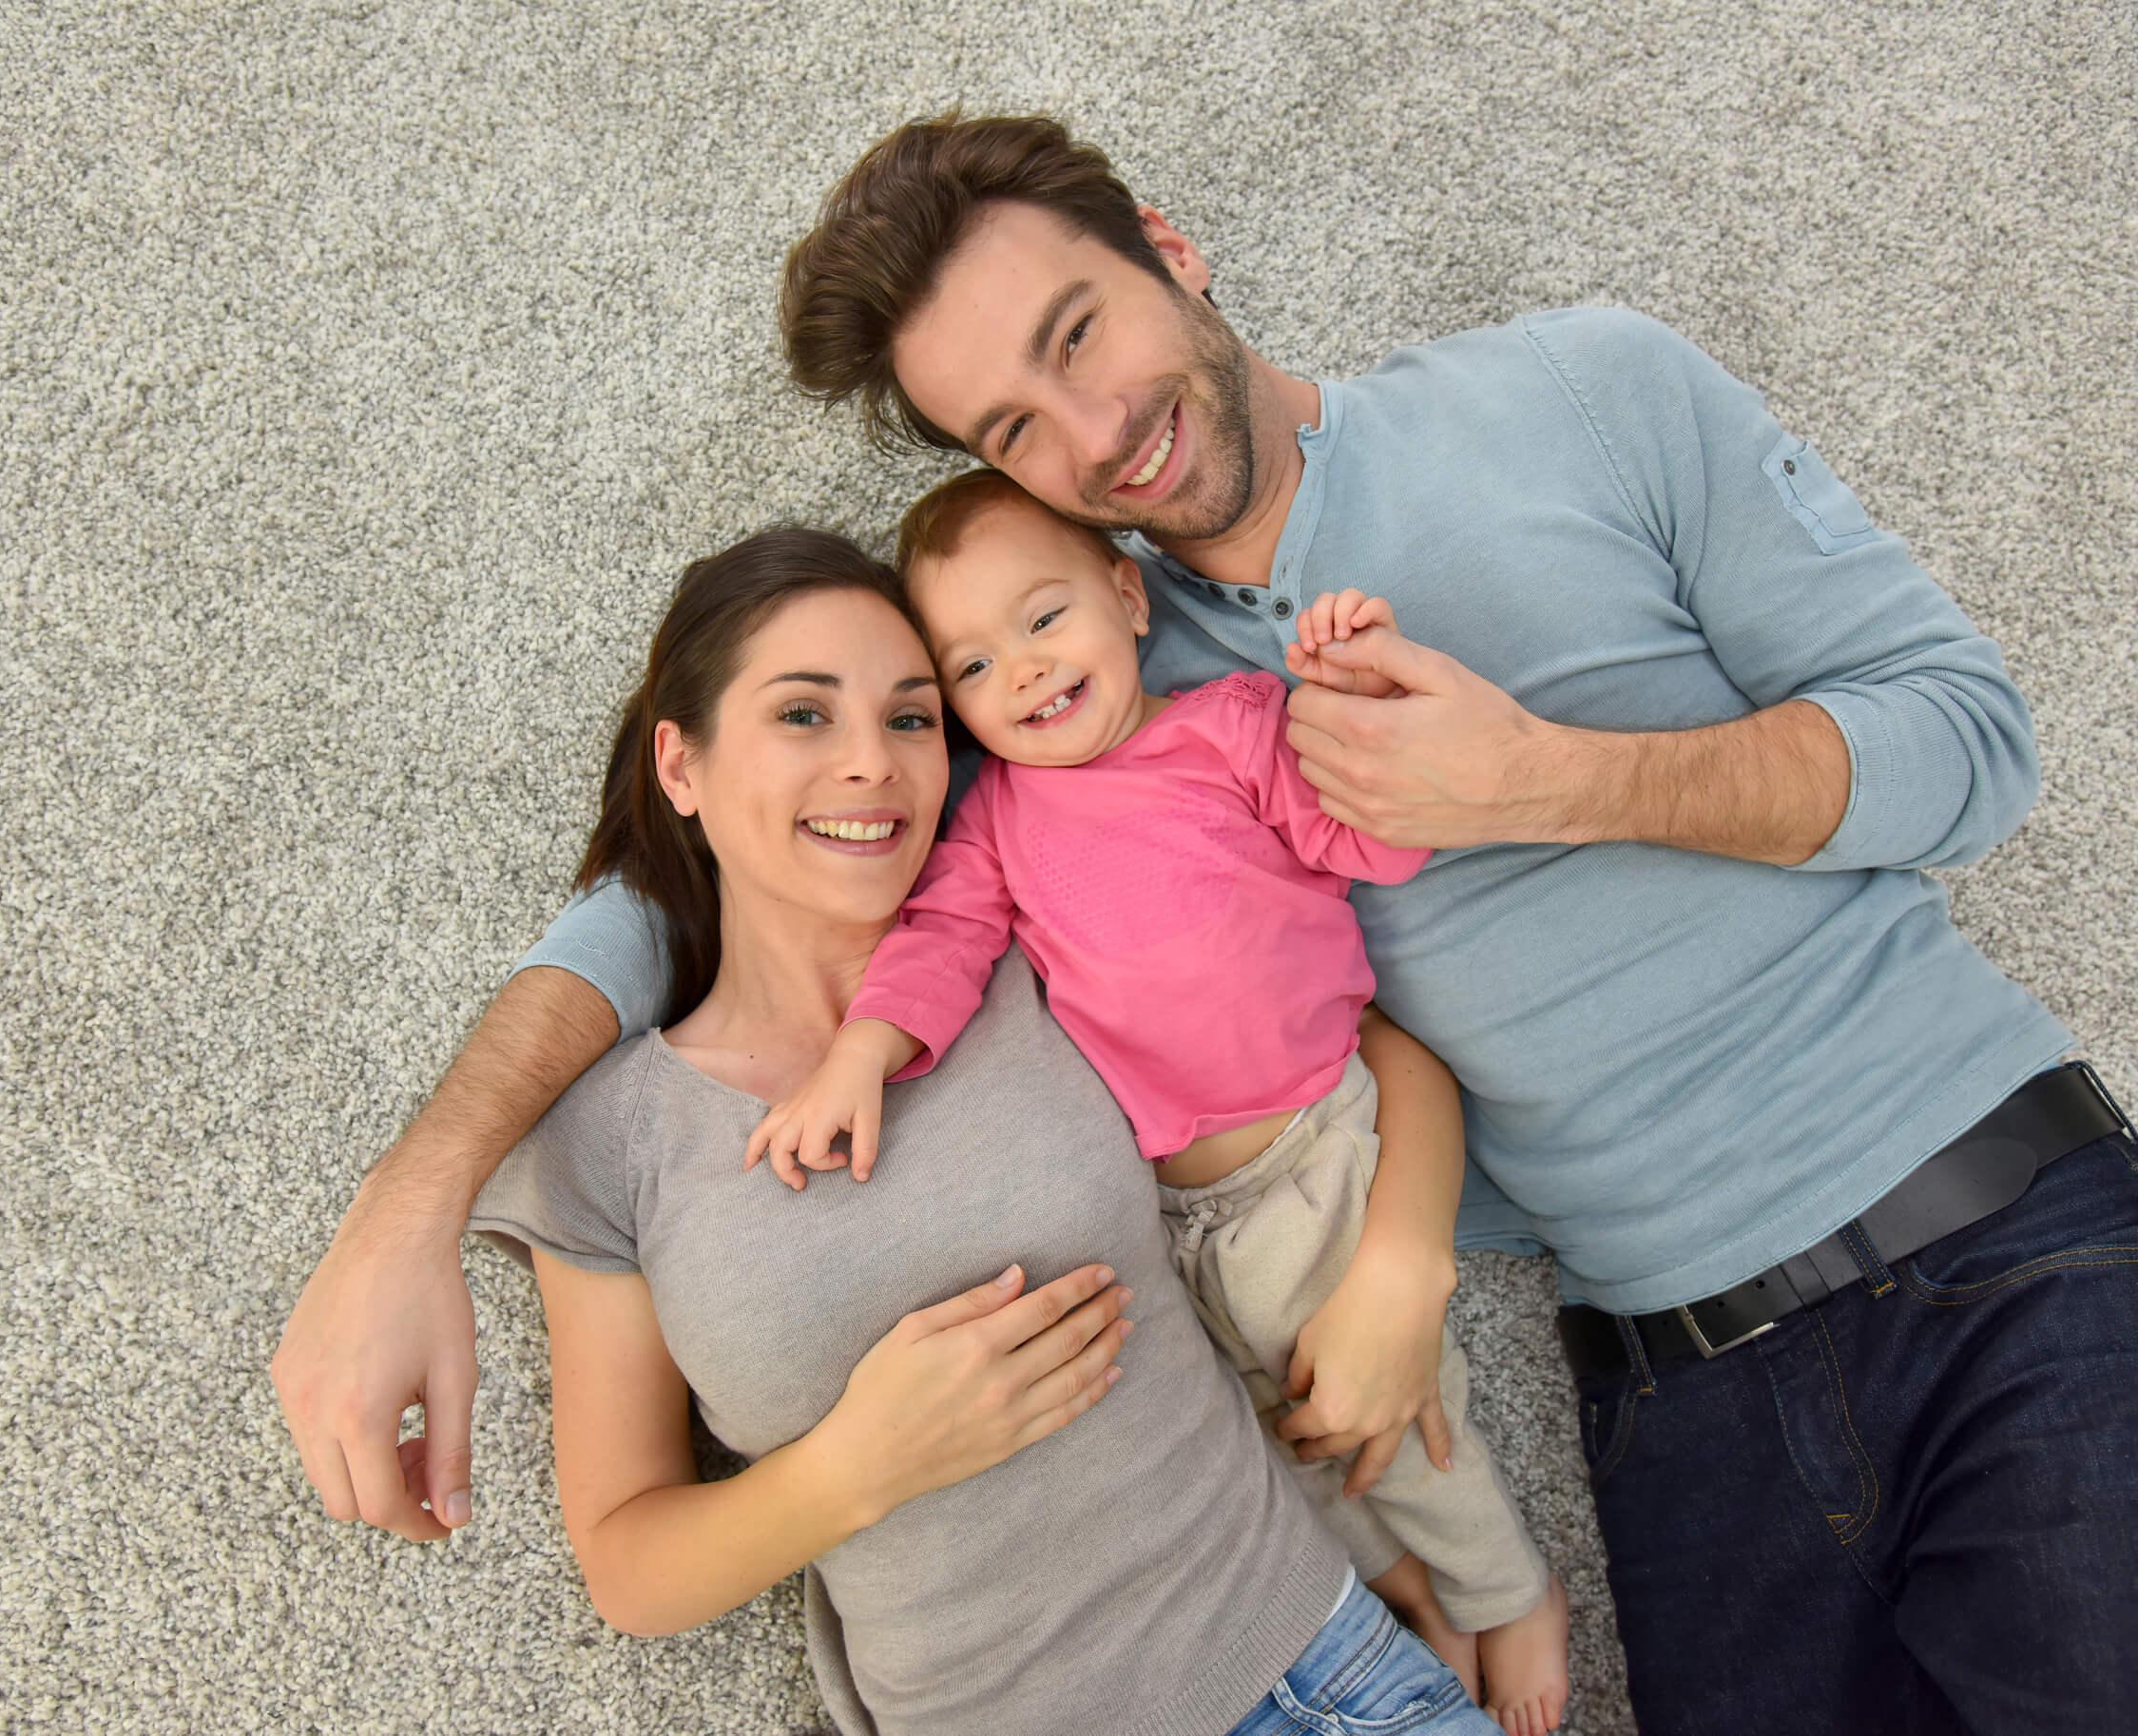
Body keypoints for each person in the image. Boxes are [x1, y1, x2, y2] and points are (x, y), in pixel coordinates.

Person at [273, 113, 2138, 1734]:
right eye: (1017, 422)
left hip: (2002, 1239)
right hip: (1673, 1393)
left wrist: (1551, 777)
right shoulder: (1091, 687)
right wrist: (410, 1204)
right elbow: (723, 853)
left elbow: (1972, 748)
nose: (1099, 430)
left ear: (1174, 252)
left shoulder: (1581, 389)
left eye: (1082, 333)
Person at [464, 525, 1498, 1735]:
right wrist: (862, 1461)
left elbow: (1364, 1052)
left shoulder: (1030, 940)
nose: (872, 764)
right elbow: (632, 1564)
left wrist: (1405, 1263)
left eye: (911, 717)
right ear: (680, 765)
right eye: (804, 714)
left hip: (1326, 1674)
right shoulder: (611, 1135)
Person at [741, 471, 1566, 1735]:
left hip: (1306, 1142)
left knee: (1392, 1410)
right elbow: (943, 942)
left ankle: (1510, 1592)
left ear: (1129, 597)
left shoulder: (1232, 729)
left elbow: (1376, 839)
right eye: (970, 664)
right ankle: (1416, 1602)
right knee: (1278, 1438)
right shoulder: (997, 821)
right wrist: (862, 1050)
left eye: (1042, 619)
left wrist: (1350, 698)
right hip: (1176, 1219)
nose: (1018, 672)